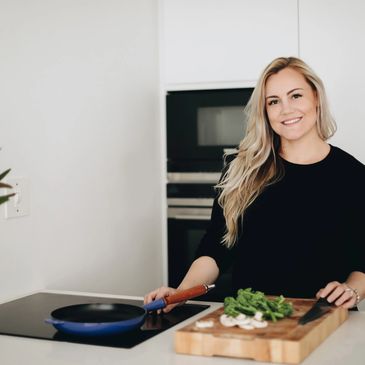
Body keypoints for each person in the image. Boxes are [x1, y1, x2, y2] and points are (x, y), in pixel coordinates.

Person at [145, 56, 365, 313]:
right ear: (265, 111)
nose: (286, 109)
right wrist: (182, 292)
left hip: (324, 321)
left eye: (296, 96)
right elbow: (216, 246)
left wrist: (352, 290)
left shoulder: (354, 176)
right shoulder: (242, 169)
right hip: (251, 319)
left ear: (316, 98)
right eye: (274, 101)